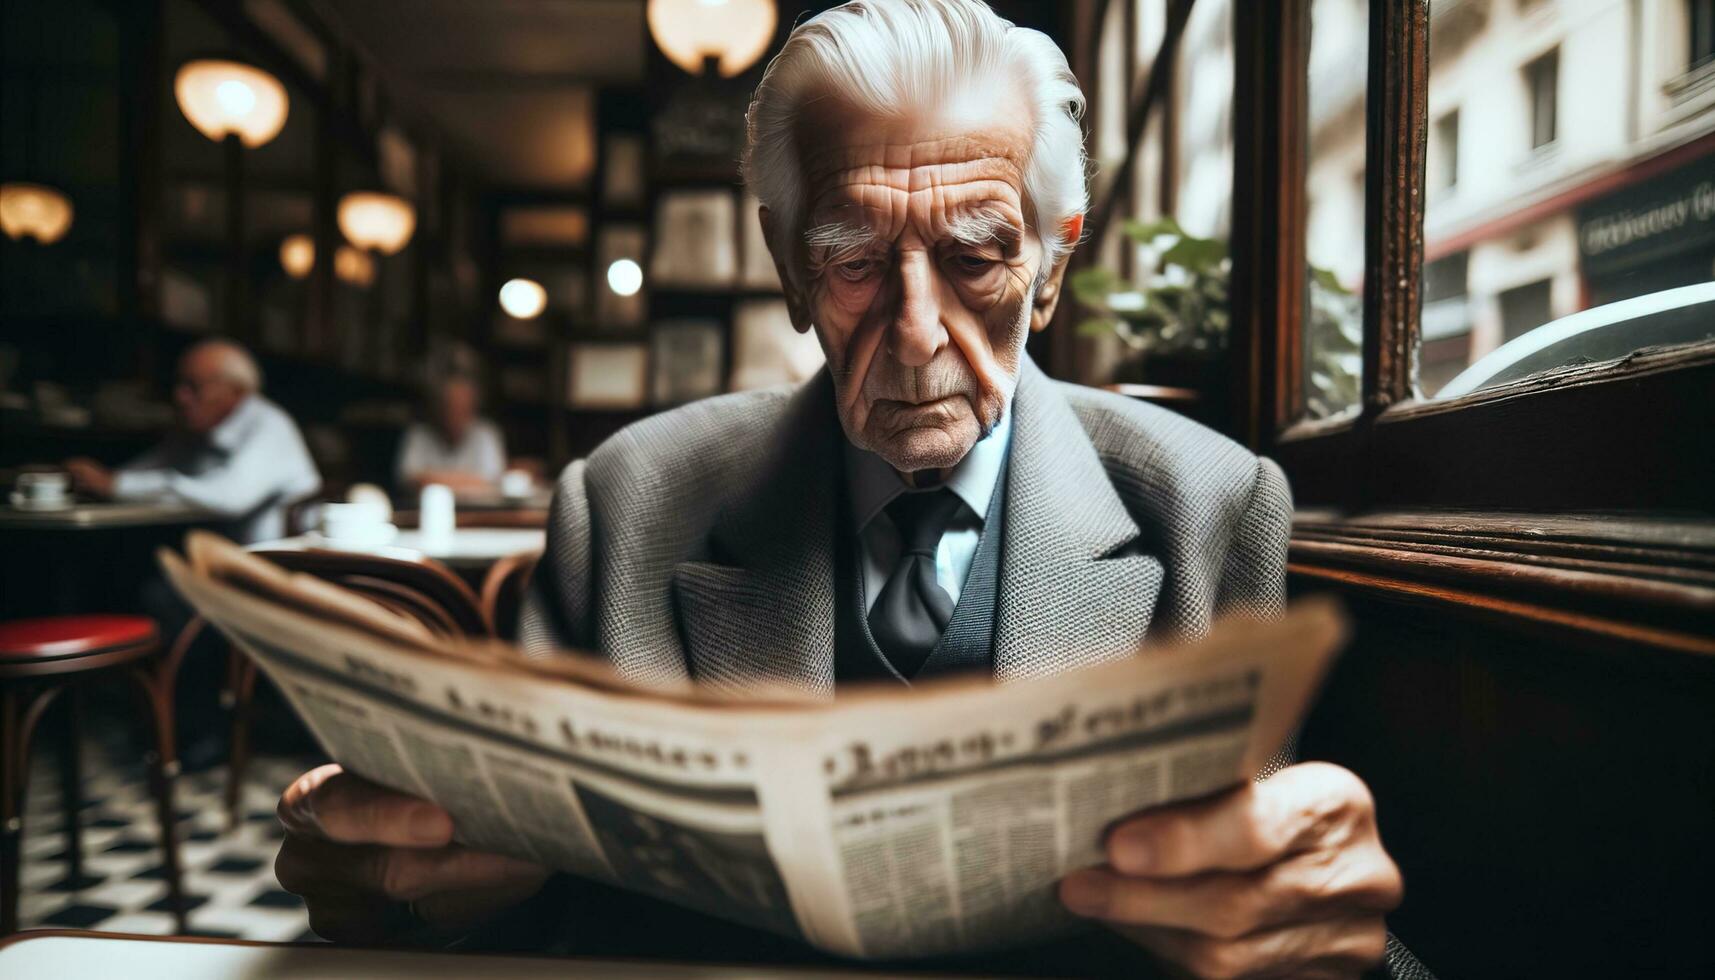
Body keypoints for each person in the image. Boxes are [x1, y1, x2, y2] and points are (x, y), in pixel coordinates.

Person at [273, 2, 1416, 976]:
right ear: (786, 265)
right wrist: (400, 889)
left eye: (975, 257)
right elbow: (536, 910)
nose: (917, 337)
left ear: (1053, 266)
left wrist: (1335, 944)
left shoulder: (1213, 507)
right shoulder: (622, 504)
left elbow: (1287, 913)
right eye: (857, 262)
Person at [65, 339, 320, 545]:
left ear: (235, 391)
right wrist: (101, 480)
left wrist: (116, 485)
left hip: (271, 573)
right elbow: (148, 469)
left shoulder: (268, 424)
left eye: (194, 387)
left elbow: (228, 498)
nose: (180, 397)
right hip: (222, 559)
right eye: (179, 384)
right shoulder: (198, 430)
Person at [394, 374, 507, 495]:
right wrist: (468, 481)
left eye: (463, 408)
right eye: (451, 407)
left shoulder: (486, 434)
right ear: (438, 408)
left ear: (473, 408)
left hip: (478, 512)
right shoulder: (418, 435)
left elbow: (493, 482)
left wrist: (434, 480)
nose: (456, 415)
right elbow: (410, 479)